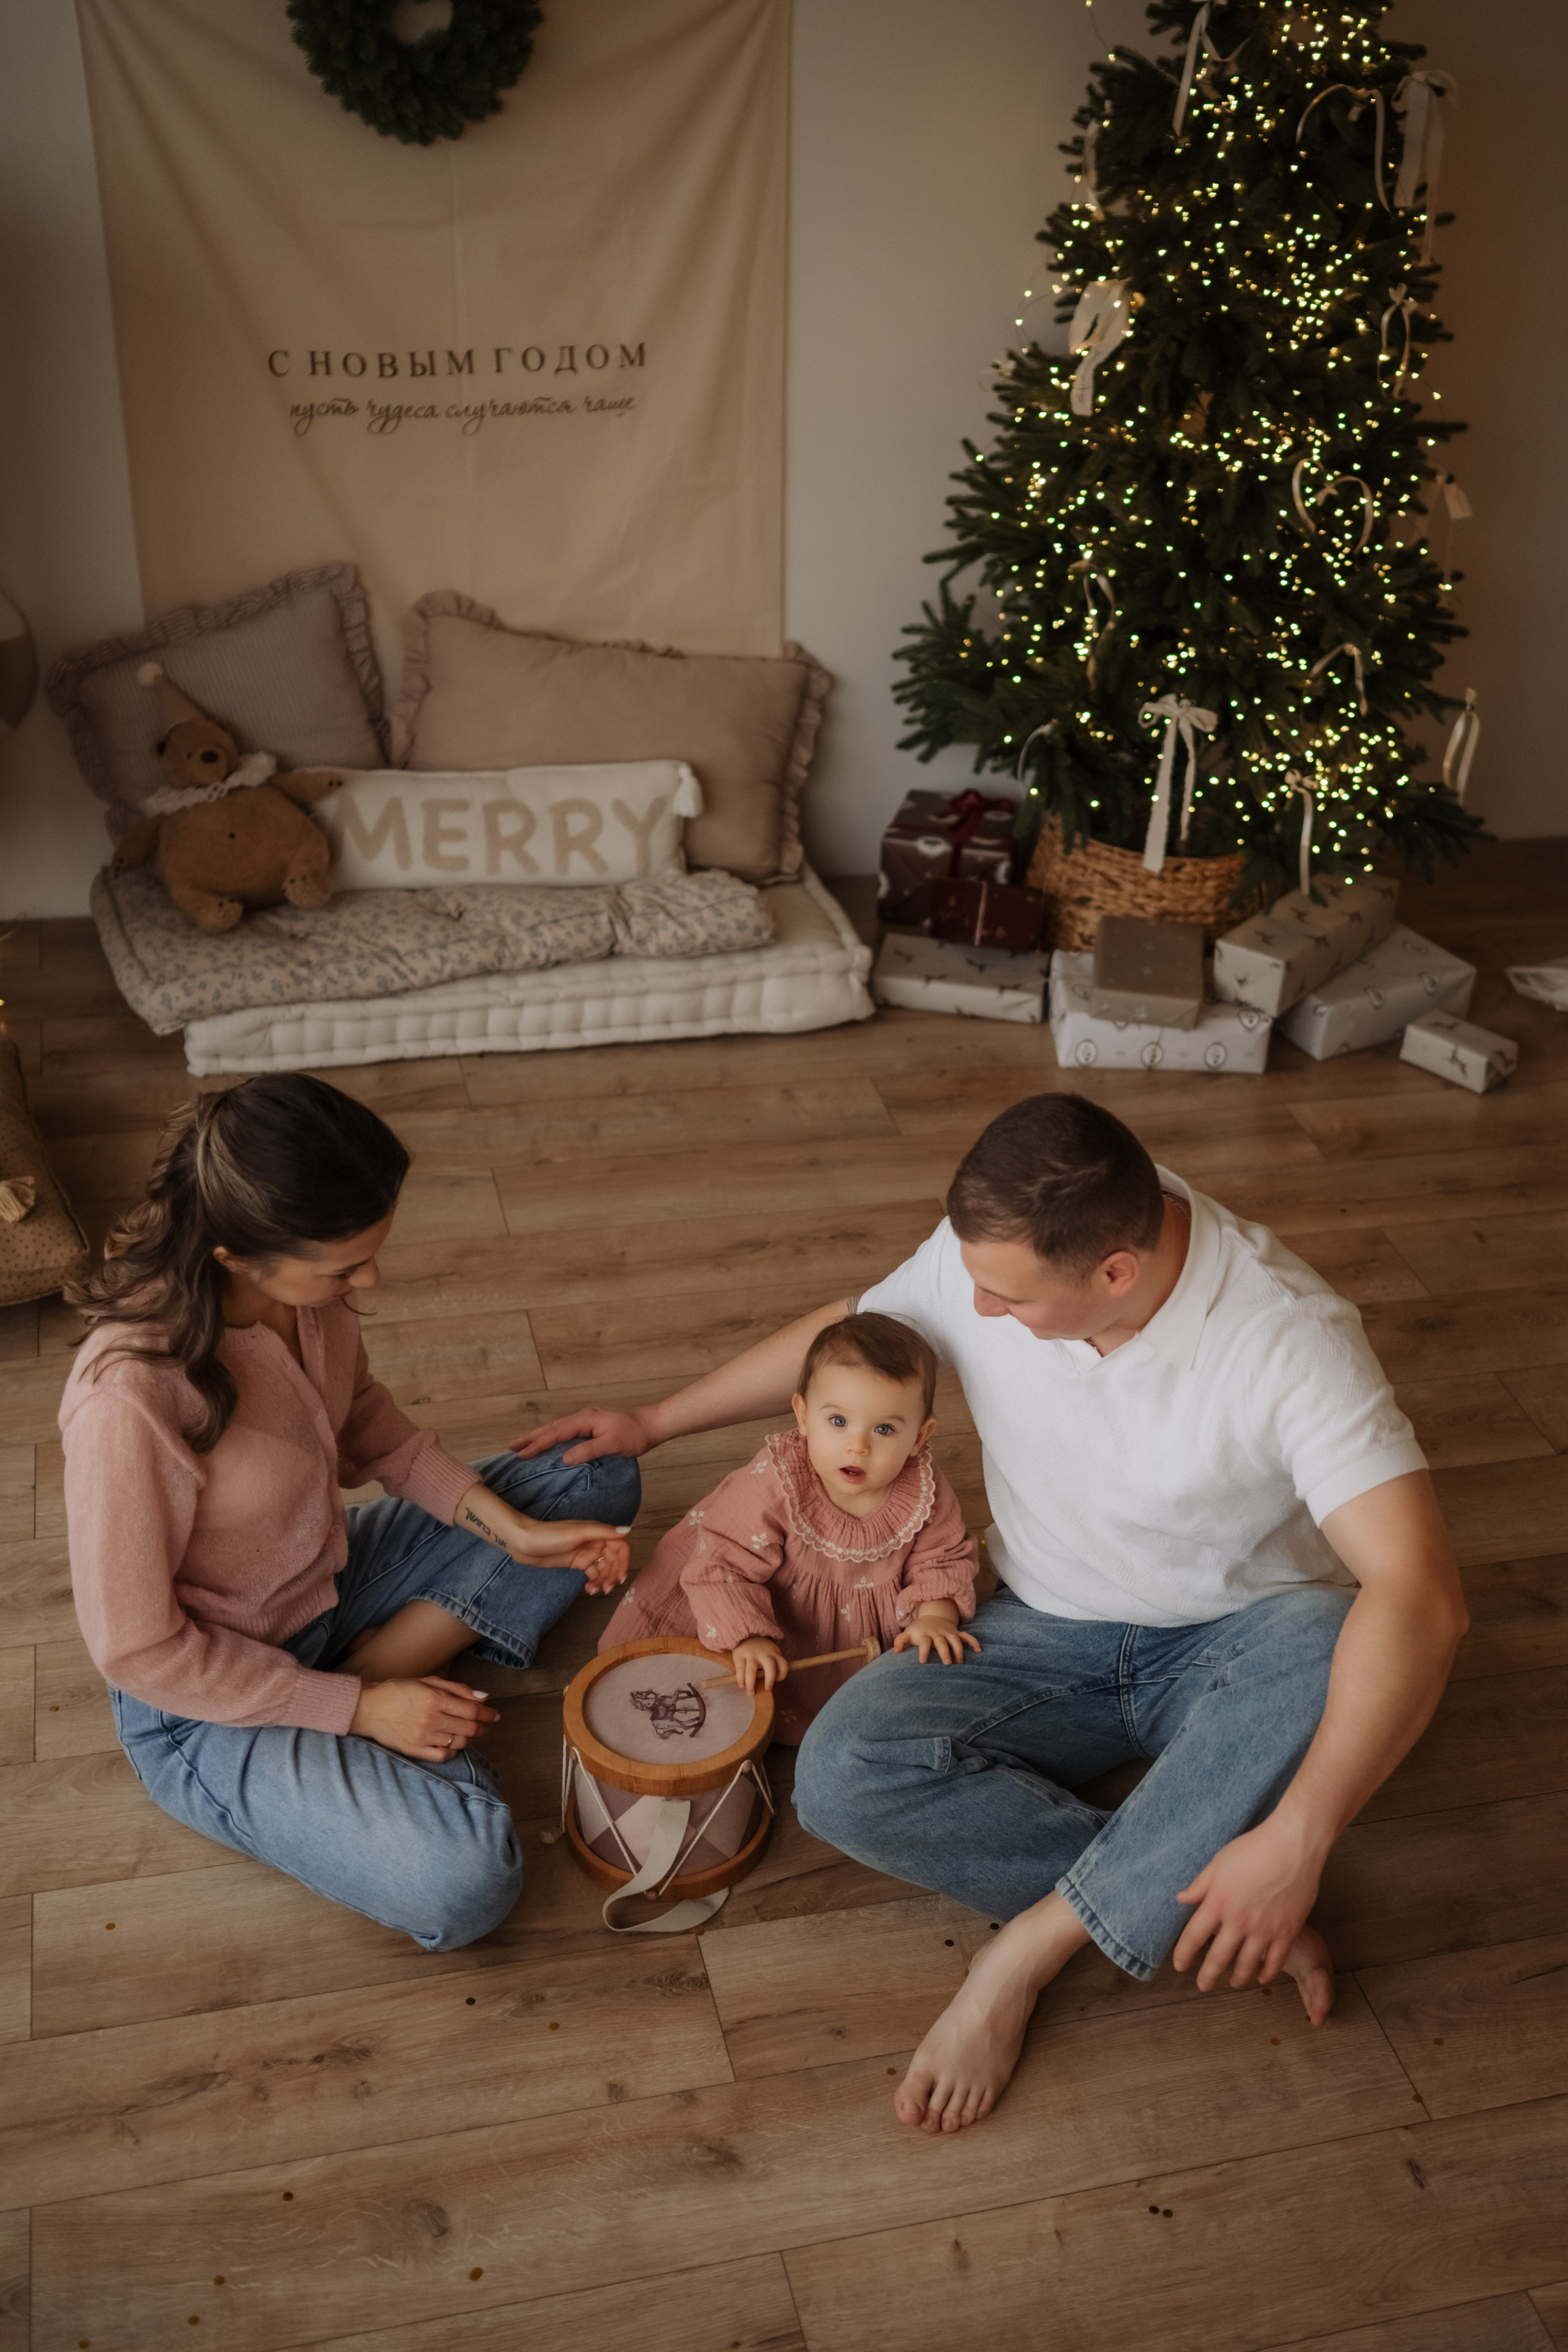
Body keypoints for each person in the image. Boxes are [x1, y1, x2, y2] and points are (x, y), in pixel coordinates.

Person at [516, 1091, 1468, 2132]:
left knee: (1329, 1642)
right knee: (840, 1776)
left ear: (1115, 1272)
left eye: (1006, 1301)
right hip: (1037, 1621)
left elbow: (1423, 1596)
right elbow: (854, 1336)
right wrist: (653, 1421)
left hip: (1234, 1642)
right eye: (971, 1281)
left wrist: (1298, 1840)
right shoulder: (1000, 1252)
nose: (973, 1316)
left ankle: (1024, 1955)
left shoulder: (1290, 1340)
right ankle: (1182, 1895)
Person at [60, 1073, 638, 1951]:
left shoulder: (310, 1303)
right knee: (466, 1881)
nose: (370, 1277)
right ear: (236, 1253)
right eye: (343, 1265)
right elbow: (140, 1649)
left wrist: (514, 1530)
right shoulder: (129, 1395)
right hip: (207, 1697)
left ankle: (383, 1670)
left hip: (322, 1585)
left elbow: (370, 1429)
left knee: (593, 1477)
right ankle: (382, 1704)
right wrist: (359, 1713)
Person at [600, 1312, 978, 1741]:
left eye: (885, 1429)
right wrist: (748, 1637)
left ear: (920, 1437)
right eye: (837, 1421)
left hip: (854, 1641)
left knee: (890, 1708)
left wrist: (935, 1617)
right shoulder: (777, 1481)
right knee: (705, 1689)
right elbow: (724, 1562)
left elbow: (942, 1558)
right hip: (768, 1607)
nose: (858, 1445)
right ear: (802, 1414)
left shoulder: (924, 1491)